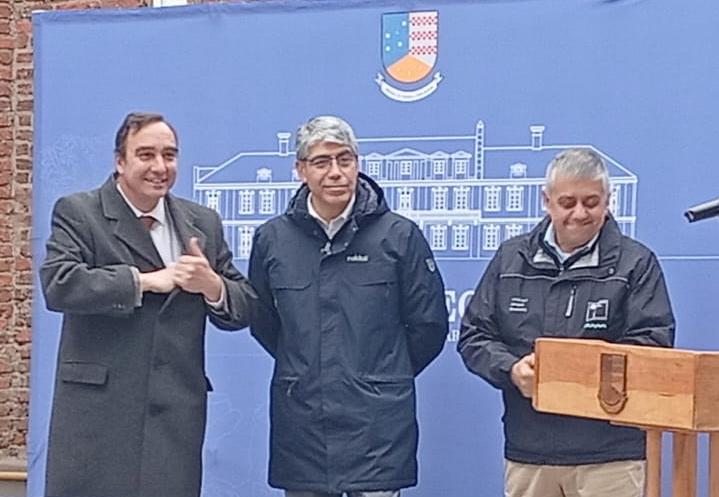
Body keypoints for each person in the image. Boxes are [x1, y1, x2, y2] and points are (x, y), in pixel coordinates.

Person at [39, 112, 256, 497]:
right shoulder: (80, 212)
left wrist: (212, 286)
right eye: (146, 155)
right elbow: (60, 283)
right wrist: (142, 281)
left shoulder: (202, 222)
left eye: (169, 155)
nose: (160, 166)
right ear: (120, 161)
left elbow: (243, 306)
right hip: (99, 416)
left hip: (173, 420)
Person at [249, 115, 448, 497]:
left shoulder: (398, 235)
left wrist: (380, 374)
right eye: (322, 162)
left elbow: (429, 325)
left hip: (378, 428)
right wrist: (310, 369)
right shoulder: (272, 239)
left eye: (345, 159)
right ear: (300, 170)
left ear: (358, 163)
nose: (336, 172)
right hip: (303, 424)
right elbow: (264, 324)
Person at [457, 148, 675, 497]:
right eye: (567, 202)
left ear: (608, 200)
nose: (580, 213)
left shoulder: (637, 263)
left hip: (610, 455)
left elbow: (654, 342)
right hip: (529, 451)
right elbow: (474, 335)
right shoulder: (510, 259)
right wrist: (511, 370)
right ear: (547, 201)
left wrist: (582, 371)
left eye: (591, 202)